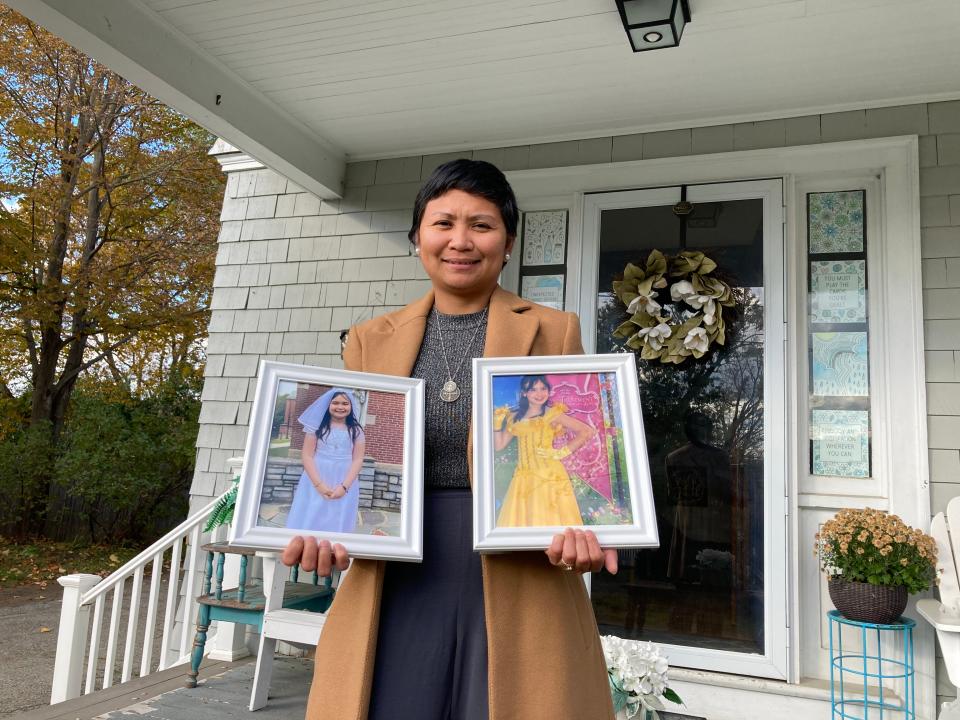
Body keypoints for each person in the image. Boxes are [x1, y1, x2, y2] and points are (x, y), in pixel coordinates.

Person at [282, 159, 617, 720]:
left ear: (508, 242)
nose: (461, 241)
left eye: (481, 225)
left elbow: (586, 445)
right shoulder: (370, 339)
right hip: (396, 564)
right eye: (443, 224)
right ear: (418, 238)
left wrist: (588, 526)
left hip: (521, 558)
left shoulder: (554, 328)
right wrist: (323, 531)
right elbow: (362, 456)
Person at [494, 374, 597, 527]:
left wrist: (560, 452)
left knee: (552, 523)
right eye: (533, 389)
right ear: (524, 393)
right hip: (523, 478)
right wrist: (496, 425)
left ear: (548, 391)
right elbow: (499, 445)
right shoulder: (514, 416)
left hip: (550, 475)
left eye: (543, 388)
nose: (539, 393)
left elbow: (586, 431)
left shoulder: (553, 414)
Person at [285, 388, 365, 533]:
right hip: (317, 476)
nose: (340, 407)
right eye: (335, 403)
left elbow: (358, 459)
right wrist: (319, 485)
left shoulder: (356, 430)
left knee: (337, 515)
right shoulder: (317, 427)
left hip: (344, 478)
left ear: (351, 406)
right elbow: (307, 455)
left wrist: (344, 487)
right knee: (312, 513)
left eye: (345, 403)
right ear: (328, 405)